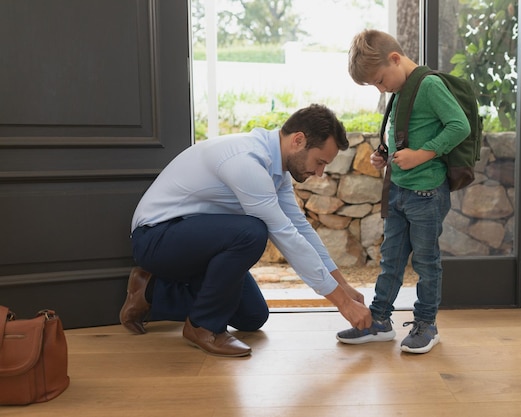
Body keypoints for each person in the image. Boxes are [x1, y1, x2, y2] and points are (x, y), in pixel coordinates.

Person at [120, 104, 372, 357]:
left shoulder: (277, 169)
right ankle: (203, 327)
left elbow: (300, 228)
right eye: (319, 162)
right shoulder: (246, 161)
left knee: (253, 316)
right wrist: (342, 305)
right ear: (298, 140)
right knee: (252, 232)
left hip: (194, 243)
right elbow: (285, 235)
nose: (319, 173)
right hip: (155, 237)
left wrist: (344, 287)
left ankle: (151, 290)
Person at [335, 29, 470, 354]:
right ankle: (380, 320)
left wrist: (422, 155)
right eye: (375, 86)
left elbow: (459, 125)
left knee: (425, 261)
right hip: (398, 190)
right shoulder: (401, 89)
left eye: (380, 80)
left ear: (395, 59)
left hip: (426, 193)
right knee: (391, 259)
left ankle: (427, 324)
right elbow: (407, 132)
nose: (382, 89)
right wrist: (385, 154)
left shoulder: (429, 85)